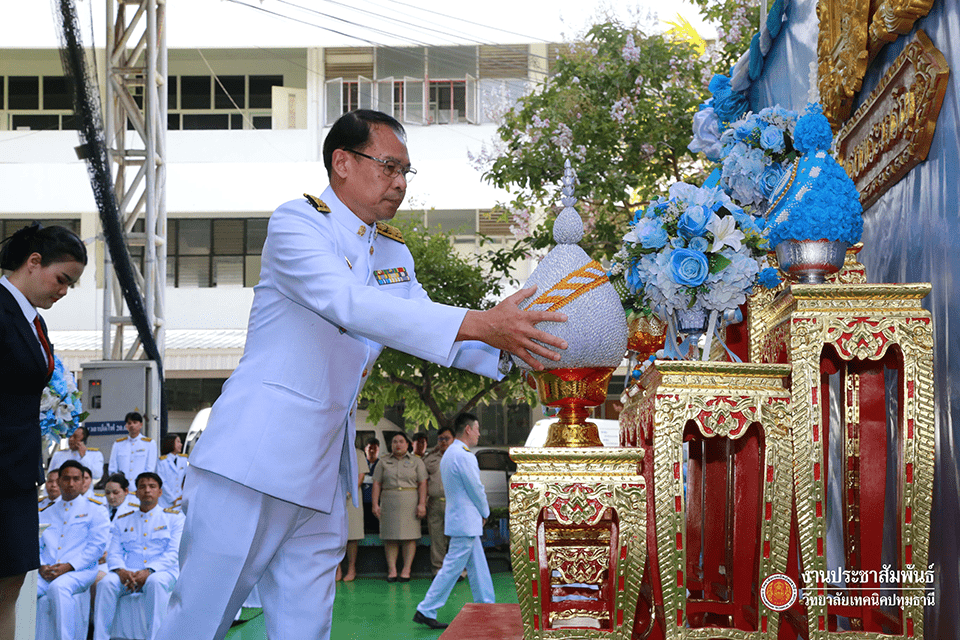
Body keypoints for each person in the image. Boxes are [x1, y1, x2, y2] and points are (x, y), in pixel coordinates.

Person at [155, 109, 566, 640]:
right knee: (200, 617)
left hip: (324, 468)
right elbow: (346, 303)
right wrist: (483, 323)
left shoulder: (391, 249)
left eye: (405, 172)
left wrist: (515, 348)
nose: (399, 183)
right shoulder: (299, 223)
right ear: (342, 162)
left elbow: (419, 324)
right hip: (254, 458)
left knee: (306, 623)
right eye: (388, 166)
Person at [0, 222, 86, 639]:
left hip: (16, 470)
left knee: (11, 584)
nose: (63, 291)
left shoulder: (33, 320)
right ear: (34, 262)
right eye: (62, 279)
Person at [414, 413, 494, 629]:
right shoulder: (465, 455)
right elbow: (475, 488)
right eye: (477, 428)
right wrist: (485, 511)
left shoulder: (450, 453)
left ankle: (486, 605)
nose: (478, 433)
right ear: (468, 429)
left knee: (477, 565)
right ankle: (426, 608)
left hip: (460, 519)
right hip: (466, 521)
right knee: (451, 567)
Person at [93, 473, 182, 640]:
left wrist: (149, 571)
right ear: (136, 492)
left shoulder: (174, 518)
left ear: (160, 492)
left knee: (155, 582)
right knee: (106, 583)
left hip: (162, 572)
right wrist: (121, 571)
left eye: (152, 486)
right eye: (142, 486)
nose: (147, 490)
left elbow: (173, 553)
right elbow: (115, 552)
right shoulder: (123, 520)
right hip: (129, 573)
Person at [35, 460, 110, 640]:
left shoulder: (96, 510)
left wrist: (68, 567)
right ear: (58, 481)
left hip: (80, 571)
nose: (71, 484)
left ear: (84, 482)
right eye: (66, 479)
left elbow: (96, 547)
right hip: (47, 571)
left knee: (59, 588)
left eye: (76, 479)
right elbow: (36, 545)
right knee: (24, 589)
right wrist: (41, 566)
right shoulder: (45, 512)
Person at [372, 432, 427, 582]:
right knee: (390, 537)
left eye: (401, 441)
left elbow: (423, 484)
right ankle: (392, 570)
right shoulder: (383, 462)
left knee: (410, 537)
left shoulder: (417, 462)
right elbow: (377, 483)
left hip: (410, 501)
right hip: (389, 500)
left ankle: (406, 570)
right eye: (395, 441)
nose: (398, 444)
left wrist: (422, 504)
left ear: (408, 444)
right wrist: (375, 504)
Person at [422, 426, 456, 575]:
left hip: (455, 503)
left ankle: (457, 570)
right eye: (440, 439)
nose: (443, 442)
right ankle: (438, 569)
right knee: (437, 538)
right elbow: (421, 475)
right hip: (435, 503)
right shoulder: (430, 459)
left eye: (447, 438)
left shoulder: (459, 456)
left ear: (454, 439)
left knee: (455, 537)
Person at [336, 447, 366, 582]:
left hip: (352, 498)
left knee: (353, 535)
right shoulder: (331, 449)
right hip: (333, 498)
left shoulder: (358, 453)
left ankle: (351, 568)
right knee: (335, 534)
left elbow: (361, 476)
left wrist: (348, 492)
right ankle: (337, 569)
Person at [108, 412, 157, 481]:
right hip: (122, 486)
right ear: (126, 426)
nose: (132, 425)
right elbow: (113, 467)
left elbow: (150, 468)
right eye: (129, 423)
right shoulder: (118, 444)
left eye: (135, 422)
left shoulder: (149, 443)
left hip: (140, 485)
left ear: (141, 425)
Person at [156, 434, 188, 509]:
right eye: (178, 442)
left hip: (180, 499)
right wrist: (172, 498)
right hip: (165, 500)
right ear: (170, 443)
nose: (181, 444)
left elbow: (187, 479)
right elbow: (162, 482)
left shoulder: (183, 460)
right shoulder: (161, 462)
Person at [361, 437, 380, 532]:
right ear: (365, 449)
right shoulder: (360, 463)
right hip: (362, 501)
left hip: (377, 502)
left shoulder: (381, 464)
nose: (372, 451)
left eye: (375, 448)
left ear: (378, 450)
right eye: (369, 448)